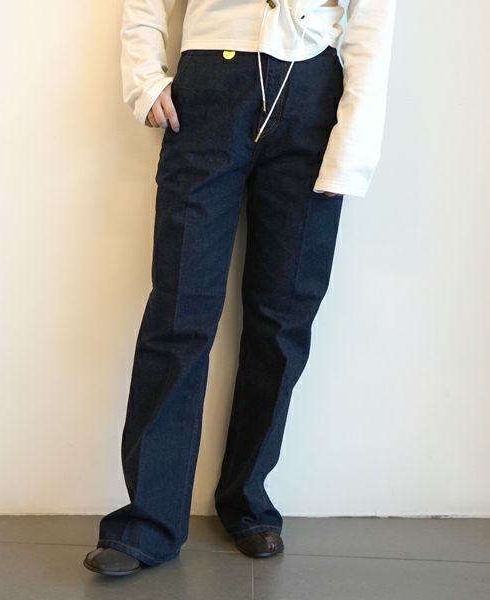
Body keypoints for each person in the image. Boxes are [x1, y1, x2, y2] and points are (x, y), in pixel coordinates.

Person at [83, 0, 397, 577]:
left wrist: (352, 147)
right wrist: (145, 79)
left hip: (313, 96)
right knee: (180, 311)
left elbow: (372, 23)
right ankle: (149, 521)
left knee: (283, 317)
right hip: (207, 89)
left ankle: (248, 499)